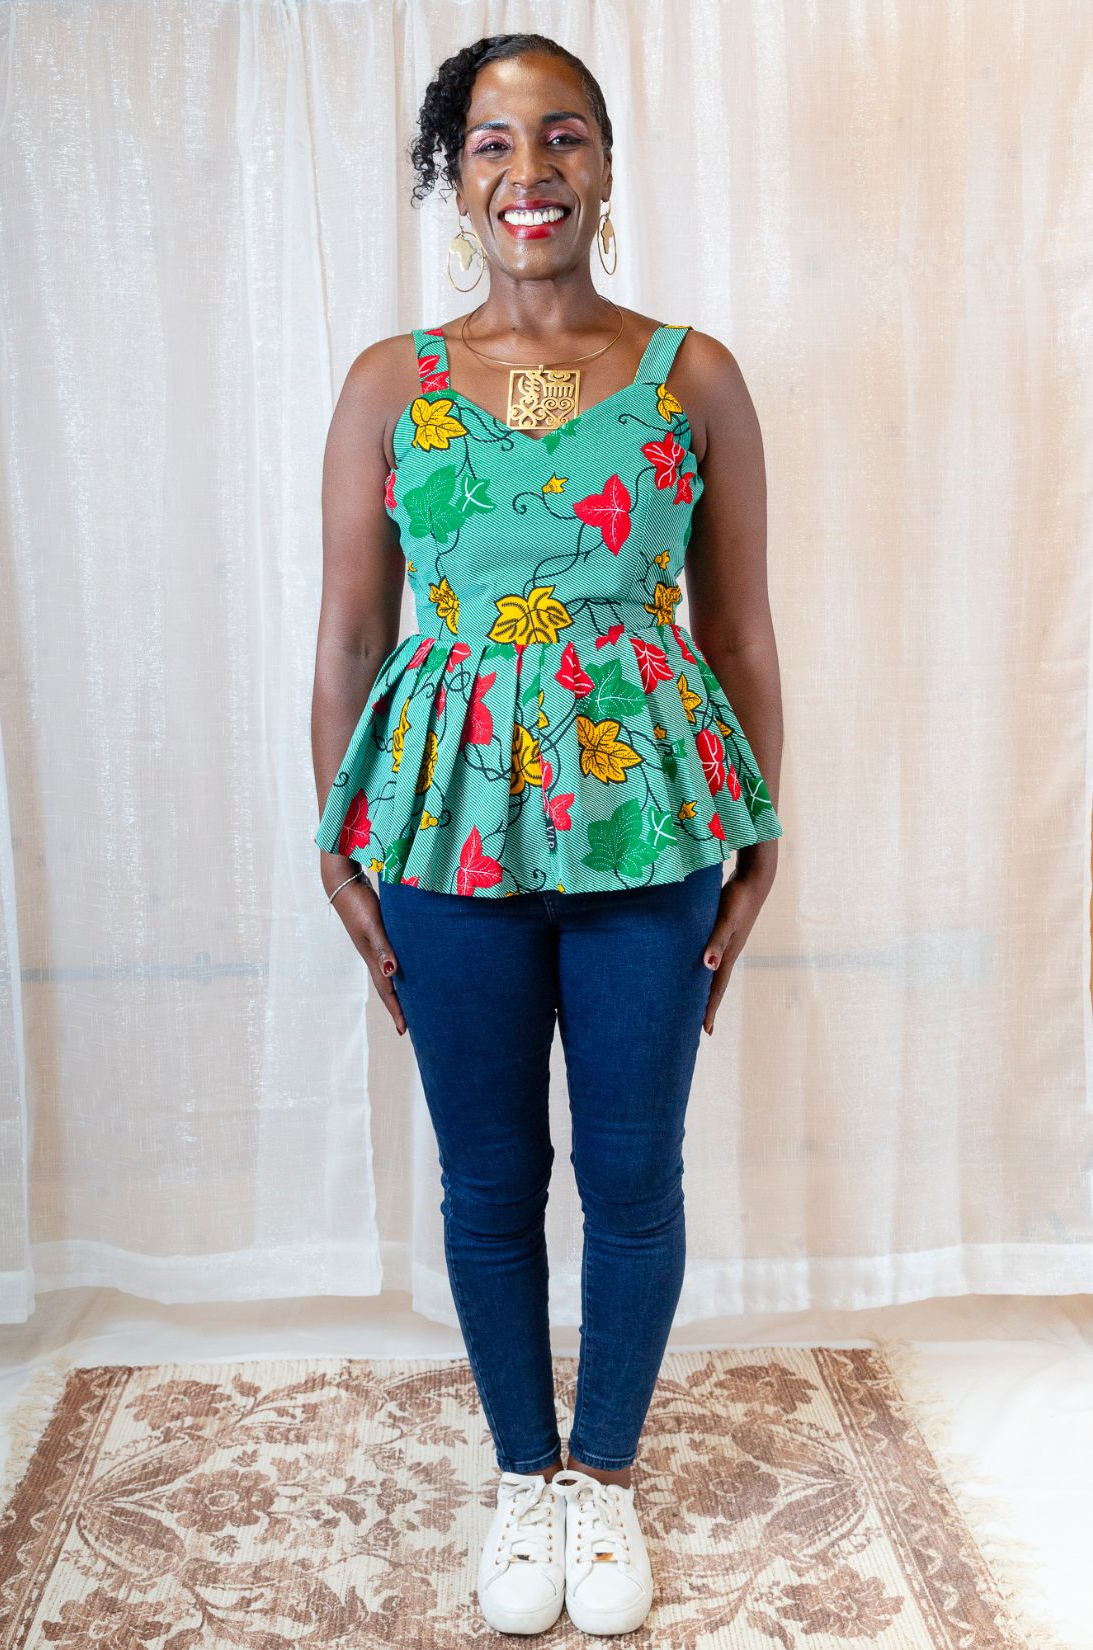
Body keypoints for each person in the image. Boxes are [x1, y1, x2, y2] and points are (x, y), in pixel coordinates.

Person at [310, 31, 784, 1639]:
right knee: (491, 1171)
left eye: (563, 138)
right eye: (497, 145)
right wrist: (338, 848)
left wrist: (765, 831)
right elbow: (349, 640)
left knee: (635, 1172)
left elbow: (741, 629)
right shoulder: (392, 380)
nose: (533, 174)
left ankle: (604, 1476)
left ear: (604, 164)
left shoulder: (692, 374)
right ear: (458, 179)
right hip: (445, 835)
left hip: (650, 818)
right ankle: (525, 1474)